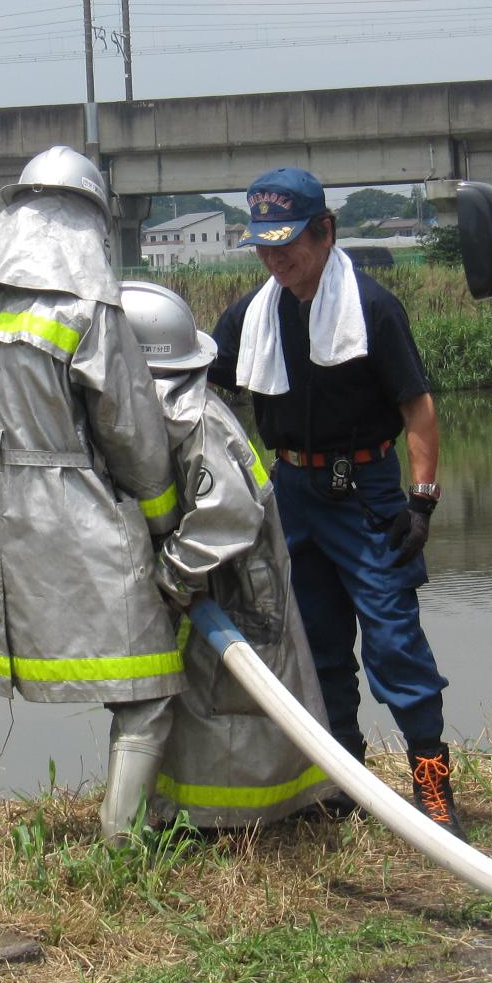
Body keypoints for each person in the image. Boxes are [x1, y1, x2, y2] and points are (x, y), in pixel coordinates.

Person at [0, 146, 182, 844]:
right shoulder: (87, 302)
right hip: (65, 502)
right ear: (86, 219)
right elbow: (130, 429)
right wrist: (162, 522)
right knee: (148, 678)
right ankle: (122, 840)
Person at [208, 167, 461, 836]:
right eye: (263, 245)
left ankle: (433, 789)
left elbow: (418, 407)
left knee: (393, 643)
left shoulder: (372, 307)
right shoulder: (252, 315)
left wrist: (423, 501)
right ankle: (345, 782)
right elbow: (198, 382)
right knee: (317, 647)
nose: (275, 257)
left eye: (288, 242)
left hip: (366, 492)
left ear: (325, 231)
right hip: (291, 492)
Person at [119, 280, 339, 829]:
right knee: (201, 702)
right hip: (216, 581)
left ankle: (231, 819)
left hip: (236, 586)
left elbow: (228, 515)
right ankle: (187, 811)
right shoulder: (167, 412)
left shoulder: (192, 419)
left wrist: (169, 577)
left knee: (232, 701)